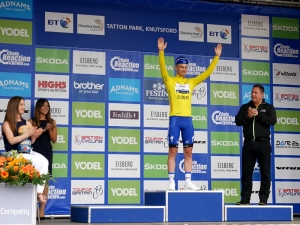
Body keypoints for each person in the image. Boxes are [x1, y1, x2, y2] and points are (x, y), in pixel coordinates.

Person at [157, 37, 222, 191]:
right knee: (173, 150)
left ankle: (188, 181)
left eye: (186, 67)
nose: (184, 70)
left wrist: (217, 57)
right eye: (181, 67)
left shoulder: (191, 82)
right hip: (175, 119)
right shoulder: (170, 81)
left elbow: (206, 74)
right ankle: (171, 181)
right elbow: (162, 69)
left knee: (188, 151)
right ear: (176, 68)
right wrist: (161, 52)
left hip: (188, 121)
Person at [235, 84, 277, 205]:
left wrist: (259, 115)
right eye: (252, 92)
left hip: (263, 143)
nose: (253, 94)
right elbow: (237, 121)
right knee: (247, 173)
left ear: (262, 95)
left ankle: (263, 200)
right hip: (248, 143)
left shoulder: (268, 107)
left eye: (256, 93)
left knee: (265, 172)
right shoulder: (245, 107)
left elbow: (273, 121)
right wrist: (247, 116)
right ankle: (245, 199)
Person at [1, 96, 48, 203]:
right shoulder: (7, 124)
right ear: (14, 106)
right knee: (35, 161)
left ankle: (39, 192)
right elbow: (12, 140)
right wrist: (27, 134)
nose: (24, 107)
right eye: (21, 104)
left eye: (24, 104)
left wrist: (33, 136)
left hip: (27, 151)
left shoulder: (27, 123)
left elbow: (30, 143)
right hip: (13, 153)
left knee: (45, 161)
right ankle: (33, 190)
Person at [29, 98, 57, 219]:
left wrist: (50, 129)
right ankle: (33, 209)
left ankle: (42, 211)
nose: (46, 108)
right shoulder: (32, 121)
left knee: (45, 181)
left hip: (47, 152)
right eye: (43, 106)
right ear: (38, 107)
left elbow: (54, 140)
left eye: (48, 106)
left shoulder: (52, 121)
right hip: (34, 152)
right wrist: (43, 129)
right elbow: (30, 139)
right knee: (33, 179)